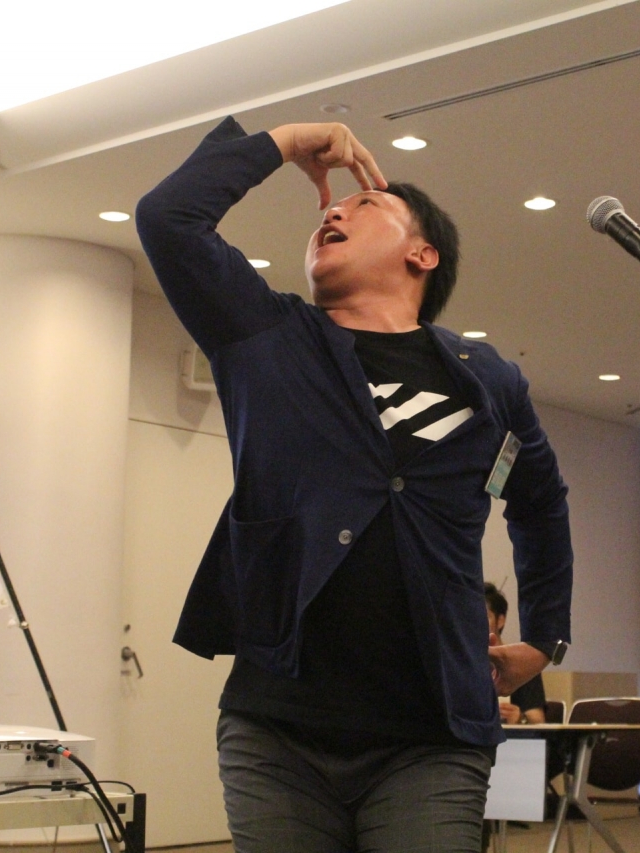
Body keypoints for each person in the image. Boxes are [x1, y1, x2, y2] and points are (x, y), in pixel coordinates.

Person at [136, 118, 574, 853]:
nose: (332, 210)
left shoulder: (489, 380)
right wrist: (284, 142)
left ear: (421, 254)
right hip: (278, 732)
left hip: (433, 736)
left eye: (364, 204)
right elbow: (167, 217)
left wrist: (545, 635)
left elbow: (540, 501)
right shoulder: (267, 337)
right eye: (331, 209)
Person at [484, 582, 547, 725]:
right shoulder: (459, 663)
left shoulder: (521, 662)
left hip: (510, 737)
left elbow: (538, 720)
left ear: (500, 620)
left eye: (485, 616)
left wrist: (520, 718)